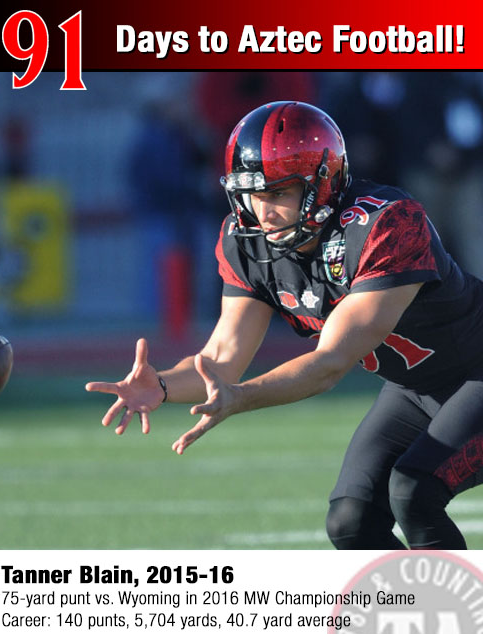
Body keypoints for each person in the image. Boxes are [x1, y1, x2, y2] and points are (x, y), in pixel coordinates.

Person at [86, 101, 483, 551]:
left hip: (475, 372)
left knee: (414, 491)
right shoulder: (248, 243)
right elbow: (220, 360)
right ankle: (408, 599)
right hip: (414, 388)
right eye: (253, 195)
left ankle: (452, 600)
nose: (263, 211)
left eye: (278, 194)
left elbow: (329, 364)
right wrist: (162, 385)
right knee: (350, 521)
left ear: (323, 184)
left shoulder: (385, 223)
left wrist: (241, 398)